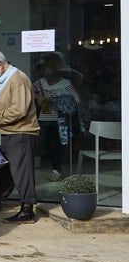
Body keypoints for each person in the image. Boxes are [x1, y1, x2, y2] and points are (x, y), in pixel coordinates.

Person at [0, 49, 40, 223]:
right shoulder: (4, 80)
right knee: (5, 170)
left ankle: (27, 210)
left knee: (21, 172)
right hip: (10, 131)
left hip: (21, 132)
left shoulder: (18, 79)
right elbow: (8, 104)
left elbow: (19, 110)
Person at [33, 52, 81, 181]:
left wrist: (58, 100)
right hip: (44, 118)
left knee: (58, 144)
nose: (48, 75)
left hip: (60, 119)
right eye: (46, 72)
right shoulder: (40, 83)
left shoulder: (65, 84)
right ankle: (52, 167)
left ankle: (57, 169)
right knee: (47, 144)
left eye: (51, 72)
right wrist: (39, 98)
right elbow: (29, 93)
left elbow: (76, 100)